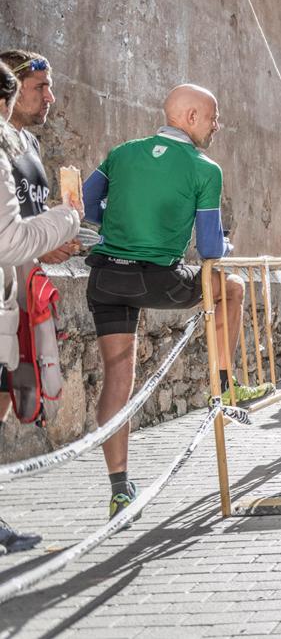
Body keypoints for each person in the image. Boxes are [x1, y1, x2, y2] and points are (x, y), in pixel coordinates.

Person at [82, 84, 264, 520]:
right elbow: (208, 249)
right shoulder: (205, 168)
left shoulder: (122, 152)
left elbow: (88, 201)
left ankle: (120, 487)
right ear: (190, 117)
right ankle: (225, 381)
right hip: (158, 278)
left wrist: (117, 224)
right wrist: (224, 245)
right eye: (213, 116)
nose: (218, 125)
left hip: (107, 274)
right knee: (232, 286)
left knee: (116, 378)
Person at [0, 62, 82, 554]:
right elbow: (9, 236)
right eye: (38, 87)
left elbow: (24, 222)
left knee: (10, 397)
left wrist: (52, 234)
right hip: (9, 278)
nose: (49, 97)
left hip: (20, 293)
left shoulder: (26, 146)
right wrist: (65, 221)